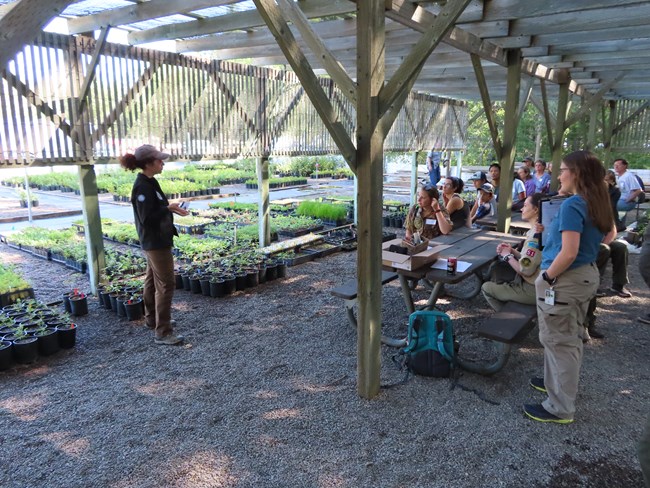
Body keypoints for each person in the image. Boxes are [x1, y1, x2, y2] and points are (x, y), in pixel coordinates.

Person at [524, 150, 611, 424]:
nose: (558, 175)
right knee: (568, 336)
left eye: (562, 169)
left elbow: (569, 251)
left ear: (576, 173)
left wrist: (546, 277)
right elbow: (607, 236)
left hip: (565, 278)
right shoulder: (596, 202)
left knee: (558, 340)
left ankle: (559, 407)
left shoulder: (574, 204)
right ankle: (556, 383)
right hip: (584, 276)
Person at [120, 144, 189, 346]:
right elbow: (146, 218)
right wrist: (168, 208)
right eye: (159, 160)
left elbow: (157, 209)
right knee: (166, 284)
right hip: (155, 242)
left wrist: (171, 208)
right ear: (148, 163)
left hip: (157, 240)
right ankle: (163, 332)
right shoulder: (142, 187)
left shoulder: (150, 182)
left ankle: (152, 319)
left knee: (152, 281)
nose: (163, 163)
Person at [481, 193, 544, 311]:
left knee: (486, 288)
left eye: (525, 206)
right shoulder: (539, 230)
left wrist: (507, 256)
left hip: (533, 288)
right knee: (497, 268)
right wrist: (513, 251)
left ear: (535, 210)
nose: (521, 209)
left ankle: (507, 318)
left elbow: (525, 270)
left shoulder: (536, 235)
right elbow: (531, 260)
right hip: (539, 284)